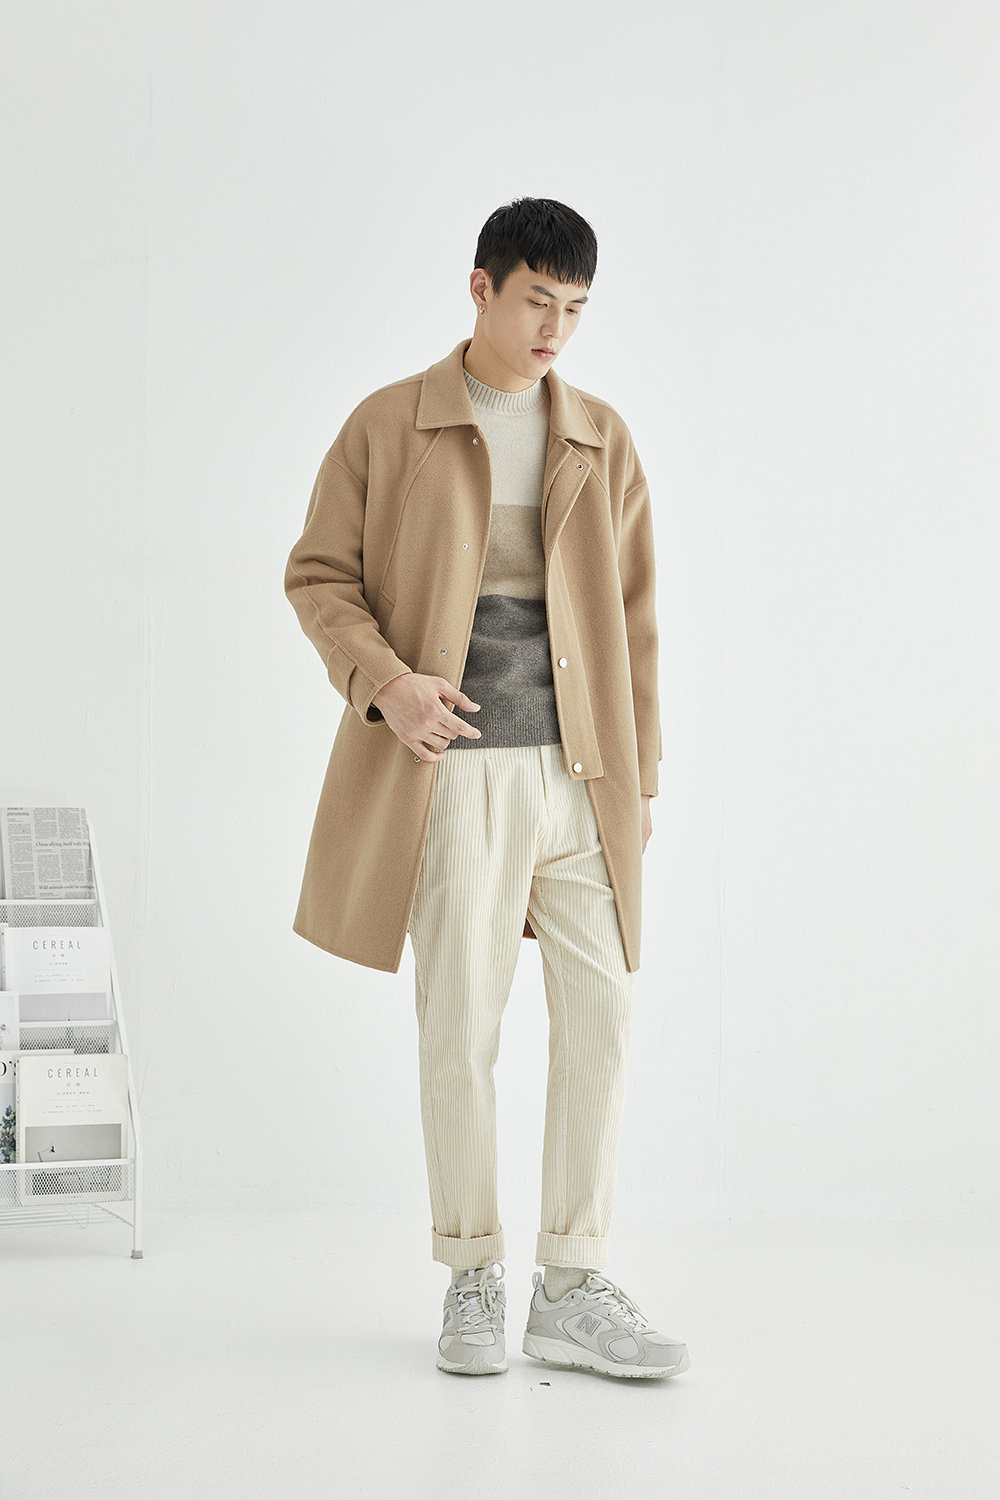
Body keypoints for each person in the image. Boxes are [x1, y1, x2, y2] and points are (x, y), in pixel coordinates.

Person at [285, 196, 689, 1380]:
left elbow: (636, 621)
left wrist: (642, 775)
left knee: (602, 1022)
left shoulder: (601, 439)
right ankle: (472, 1271)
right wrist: (388, 683)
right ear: (481, 289)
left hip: (585, 775)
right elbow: (318, 576)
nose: (555, 329)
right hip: (453, 772)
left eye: (575, 310)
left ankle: (572, 1280)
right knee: (460, 1026)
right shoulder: (392, 425)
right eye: (536, 302)